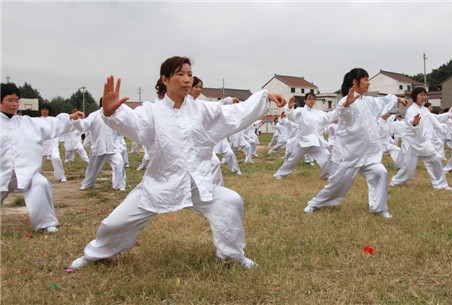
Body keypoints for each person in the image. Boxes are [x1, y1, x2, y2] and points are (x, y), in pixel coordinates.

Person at [70, 56, 286, 270]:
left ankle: (232, 254)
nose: (187, 79)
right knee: (116, 222)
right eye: (180, 74)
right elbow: (134, 123)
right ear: (165, 80)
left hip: (196, 185)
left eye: (189, 75)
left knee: (230, 201)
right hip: (159, 183)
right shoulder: (152, 111)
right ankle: (95, 255)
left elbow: (233, 113)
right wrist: (110, 113)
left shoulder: (201, 109)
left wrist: (265, 97)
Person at [303, 68, 408, 218]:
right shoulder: (346, 101)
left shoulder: (369, 101)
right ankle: (314, 203)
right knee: (337, 185)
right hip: (350, 154)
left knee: (381, 173)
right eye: (365, 79)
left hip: (368, 153)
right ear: (355, 82)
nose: (368, 83)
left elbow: (382, 101)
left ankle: (379, 208)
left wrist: (397, 99)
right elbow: (343, 113)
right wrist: (346, 103)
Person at [1, 82, 84, 232]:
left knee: (40, 184)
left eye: (16, 100)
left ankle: (46, 223)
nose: (14, 104)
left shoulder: (26, 122)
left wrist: (70, 117)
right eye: (9, 100)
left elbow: (50, 124)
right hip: (2, 173)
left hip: (24, 172)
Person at [390, 87, 452, 190]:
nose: (423, 97)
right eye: (421, 95)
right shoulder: (411, 110)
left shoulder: (425, 110)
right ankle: (395, 181)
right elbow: (410, 123)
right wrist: (414, 122)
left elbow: (435, 120)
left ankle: (441, 184)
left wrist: (443, 128)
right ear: (415, 96)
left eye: (424, 95)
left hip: (424, 143)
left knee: (435, 160)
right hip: (412, 143)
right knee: (408, 170)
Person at [273, 92, 337, 180]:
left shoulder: (319, 113)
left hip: (316, 141)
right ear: (305, 100)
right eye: (309, 99)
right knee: (293, 159)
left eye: (313, 99)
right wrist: (289, 107)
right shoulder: (300, 111)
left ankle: (326, 175)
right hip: (303, 141)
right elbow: (292, 116)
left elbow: (330, 116)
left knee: (326, 156)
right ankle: (280, 174)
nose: (311, 101)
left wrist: (343, 106)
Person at [73, 98, 127, 191]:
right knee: (93, 169)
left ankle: (119, 185)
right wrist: (76, 120)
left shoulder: (114, 116)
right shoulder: (94, 115)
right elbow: (83, 125)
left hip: (113, 147)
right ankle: (87, 184)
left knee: (119, 164)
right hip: (98, 147)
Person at [40, 103, 68, 182]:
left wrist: (60, 141)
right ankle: (34, 176)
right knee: (38, 162)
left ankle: (61, 176)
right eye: (42, 110)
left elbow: (63, 122)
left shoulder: (53, 120)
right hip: (42, 144)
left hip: (53, 143)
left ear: (49, 111)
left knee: (56, 158)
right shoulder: (37, 120)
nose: (44, 111)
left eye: (46, 110)